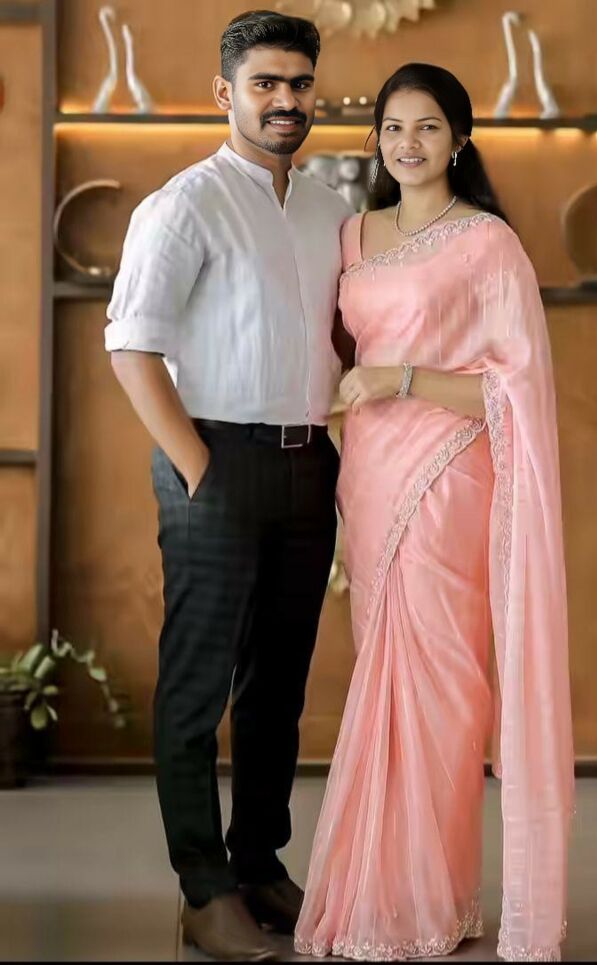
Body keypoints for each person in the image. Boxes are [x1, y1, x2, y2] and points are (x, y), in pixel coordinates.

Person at [295, 63, 574, 962]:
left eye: (426, 127)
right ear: (374, 139)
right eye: (392, 127)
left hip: (449, 474)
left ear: (459, 139)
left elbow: (516, 387)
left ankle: (425, 899)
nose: (406, 143)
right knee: (383, 678)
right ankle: (394, 891)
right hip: (368, 476)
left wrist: (403, 378)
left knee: (443, 689)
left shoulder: (488, 243)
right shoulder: (352, 233)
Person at [105, 10, 352, 962]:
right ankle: (203, 891)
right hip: (213, 460)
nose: (286, 99)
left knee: (278, 685)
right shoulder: (183, 205)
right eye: (265, 83)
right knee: (198, 684)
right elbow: (131, 347)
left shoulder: (329, 210)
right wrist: (200, 469)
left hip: (308, 463)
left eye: (299, 83)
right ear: (226, 93)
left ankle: (257, 865)